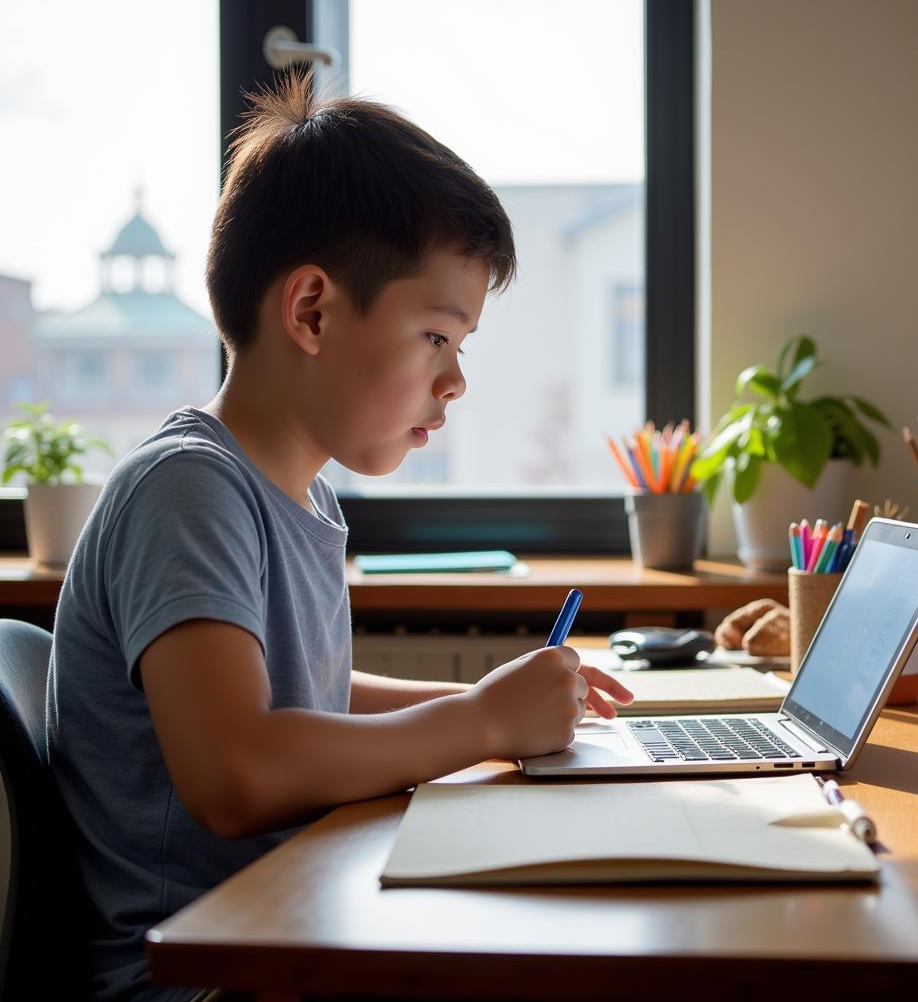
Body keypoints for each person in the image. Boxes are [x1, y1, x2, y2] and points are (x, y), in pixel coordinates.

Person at [46, 70, 633, 1002]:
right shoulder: (187, 490)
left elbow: (304, 691)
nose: (456, 382)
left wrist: (489, 703)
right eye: (438, 337)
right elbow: (237, 770)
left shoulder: (299, 496)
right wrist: (478, 723)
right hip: (201, 976)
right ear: (312, 310)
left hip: (285, 927)